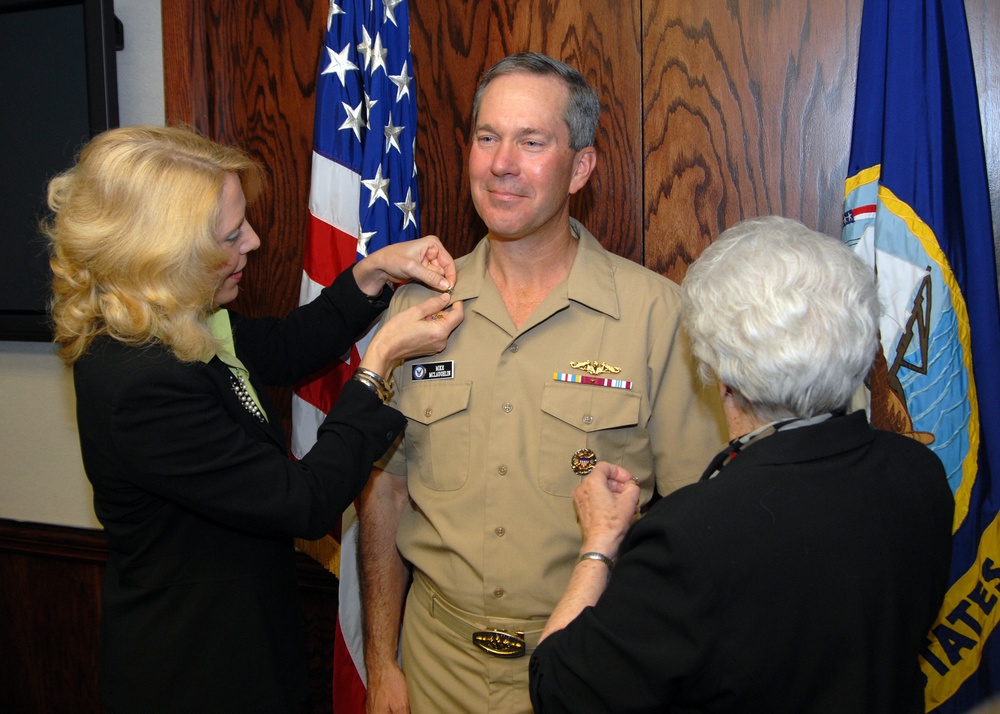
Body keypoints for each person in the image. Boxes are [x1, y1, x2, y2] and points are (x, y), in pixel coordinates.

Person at [43, 125, 464, 713]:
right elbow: (305, 501)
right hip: (197, 671)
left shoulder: (173, 319)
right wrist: (380, 364)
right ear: (169, 254)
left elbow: (286, 347)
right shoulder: (138, 382)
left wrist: (374, 274)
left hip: (252, 642)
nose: (257, 241)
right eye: (232, 234)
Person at [358, 52, 725, 713]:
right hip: (435, 669)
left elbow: (694, 522)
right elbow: (385, 491)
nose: (501, 164)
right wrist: (382, 661)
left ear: (580, 167)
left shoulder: (655, 316)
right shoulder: (414, 313)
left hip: (592, 672)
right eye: (487, 137)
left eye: (532, 142)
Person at [528, 216, 956, 713]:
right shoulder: (920, 474)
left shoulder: (691, 536)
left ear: (721, 371)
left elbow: (558, 689)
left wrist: (599, 544)